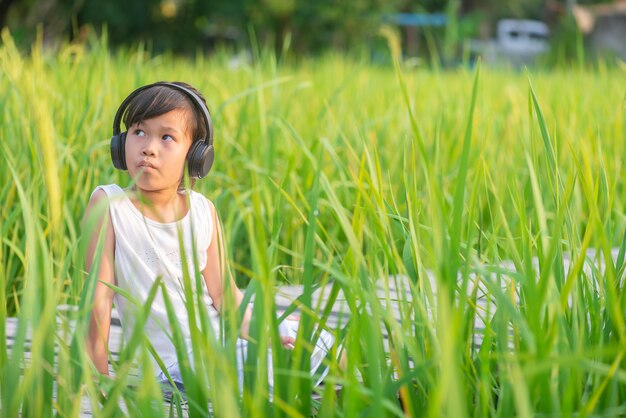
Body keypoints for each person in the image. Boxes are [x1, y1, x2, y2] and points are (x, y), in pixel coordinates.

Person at [82, 81, 335, 397]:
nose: (148, 147)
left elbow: (226, 298)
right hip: (172, 363)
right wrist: (98, 380)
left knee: (311, 334)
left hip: (221, 340)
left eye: (167, 137)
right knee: (257, 364)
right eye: (138, 132)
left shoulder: (203, 210)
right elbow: (98, 301)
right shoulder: (109, 205)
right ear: (121, 144)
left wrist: (265, 330)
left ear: (196, 156)